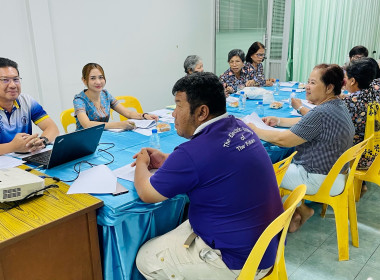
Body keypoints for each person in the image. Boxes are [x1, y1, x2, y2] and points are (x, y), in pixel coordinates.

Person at [133, 72, 283, 280]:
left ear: (202, 112)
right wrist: (169, 159)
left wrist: (141, 163)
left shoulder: (192, 153)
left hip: (237, 261)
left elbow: (147, 193)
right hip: (264, 246)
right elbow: (211, 161)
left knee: (145, 257)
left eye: (178, 106)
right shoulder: (239, 126)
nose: (174, 114)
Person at [247, 64, 355, 232]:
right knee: (281, 165)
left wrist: (255, 129)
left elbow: (284, 140)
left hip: (317, 178)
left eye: (312, 83)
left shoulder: (322, 112)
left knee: (260, 172)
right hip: (336, 176)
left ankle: (267, 225)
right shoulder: (337, 105)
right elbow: (306, 123)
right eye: (307, 81)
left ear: (329, 88)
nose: (307, 87)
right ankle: (300, 210)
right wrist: (279, 121)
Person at [0, 57, 59, 155]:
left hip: (24, 159)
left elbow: (52, 128)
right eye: (5, 80)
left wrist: (42, 141)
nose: (13, 85)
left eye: (16, 79)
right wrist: (13, 147)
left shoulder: (26, 101)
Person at [73, 63, 158, 130]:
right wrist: (118, 125)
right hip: (84, 142)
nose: (98, 82)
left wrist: (144, 116)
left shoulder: (105, 94)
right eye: (93, 78)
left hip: (104, 136)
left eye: (101, 77)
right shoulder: (79, 100)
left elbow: (128, 113)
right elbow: (87, 124)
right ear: (84, 80)